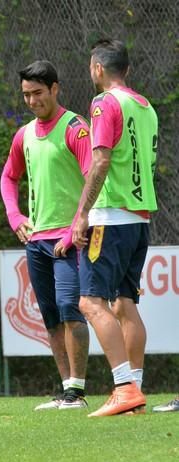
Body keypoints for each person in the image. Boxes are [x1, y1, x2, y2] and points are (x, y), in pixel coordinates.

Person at [72, 39, 158, 417]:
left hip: (110, 216)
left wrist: (81, 214)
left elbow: (101, 162)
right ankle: (135, 393)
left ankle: (123, 387)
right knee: (125, 304)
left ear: (97, 69)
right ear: (128, 69)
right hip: (140, 219)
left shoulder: (104, 103)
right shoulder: (146, 106)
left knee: (90, 301)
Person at [0, 60, 91, 411]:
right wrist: (14, 215)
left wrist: (75, 228)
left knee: (72, 309)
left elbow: (93, 179)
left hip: (71, 240)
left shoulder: (75, 128)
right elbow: (9, 177)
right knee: (51, 317)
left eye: (38, 93)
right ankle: (67, 390)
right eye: (26, 95)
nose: (32, 100)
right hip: (37, 240)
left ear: (55, 88)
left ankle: (79, 392)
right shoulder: (23, 135)